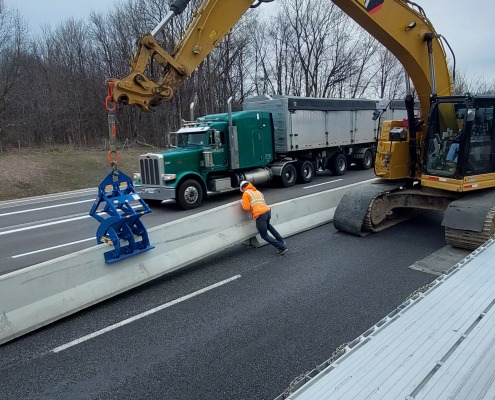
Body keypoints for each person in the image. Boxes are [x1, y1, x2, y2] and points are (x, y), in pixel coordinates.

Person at [240, 180, 288, 255]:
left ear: (243, 188)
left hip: (260, 214)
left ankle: (281, 247)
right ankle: (281, 240)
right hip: (267, 211)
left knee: (264, 235)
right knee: (268, 225)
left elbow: (246, 207)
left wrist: (242, 203)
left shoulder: (246, 193)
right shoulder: (258, 192)